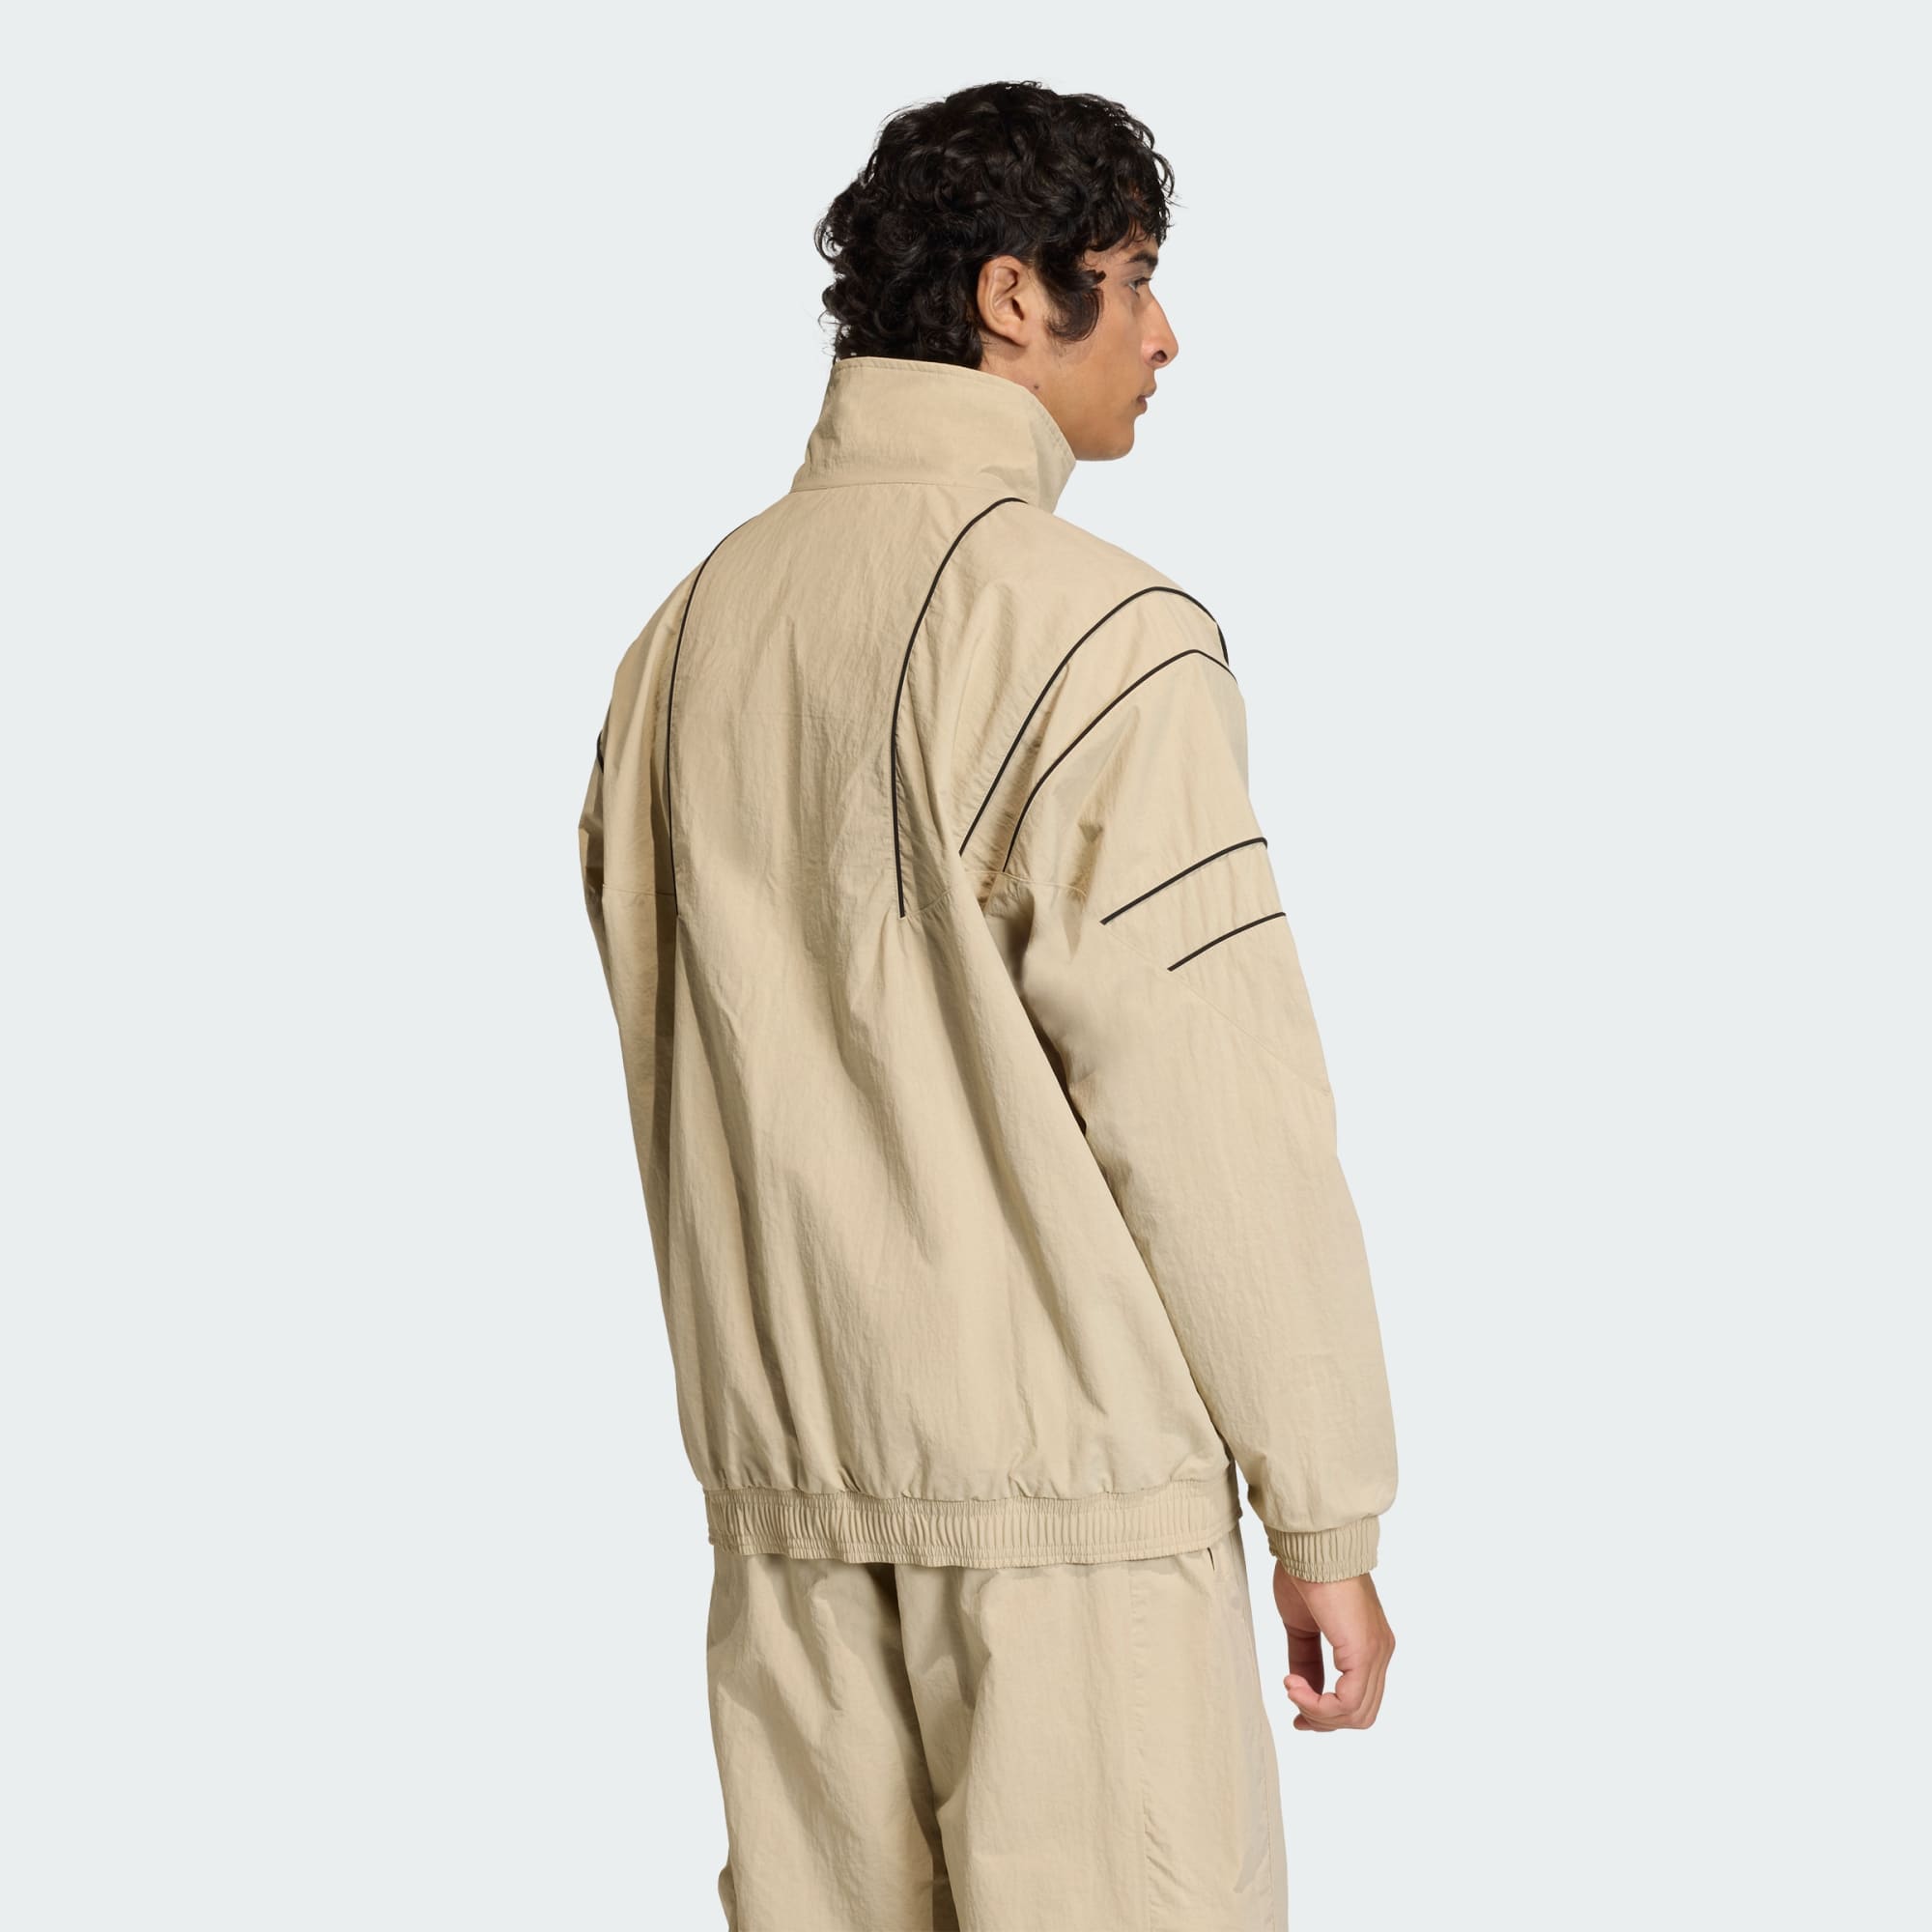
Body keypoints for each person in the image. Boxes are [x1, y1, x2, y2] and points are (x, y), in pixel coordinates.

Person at [578, 78, 1399, 1932]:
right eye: (1138, 277)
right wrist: (1327, 1514)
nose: (1168, 336)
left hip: (788, 1531)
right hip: (1070, 1540)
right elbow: (1215, 1108)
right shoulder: (1091, 629)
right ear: (1016, 298)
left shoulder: (683, 639)